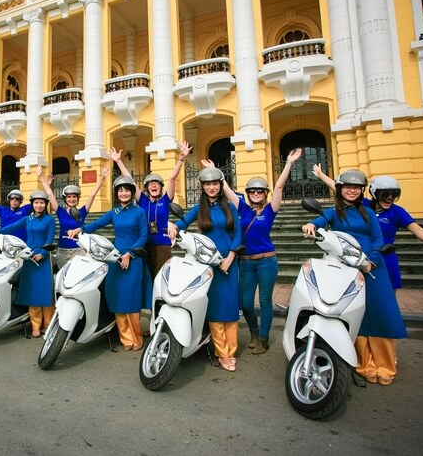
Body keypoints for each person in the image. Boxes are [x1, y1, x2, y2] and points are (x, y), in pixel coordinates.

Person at [302, 169, 408, 386]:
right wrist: (311, 225)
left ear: (362, 191)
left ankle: (386, 365)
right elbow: (319, 221)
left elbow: (378, 239)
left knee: (380, 314)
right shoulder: (334, 211)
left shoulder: (368, 212)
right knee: (354, 314)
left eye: (357, 187)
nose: (352, 190)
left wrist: (372, 260)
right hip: (346, 268)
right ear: (339, 189)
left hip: (371, 266)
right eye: (347, 187)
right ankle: (364, 364)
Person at [203, 147, 303, 354]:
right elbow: (227, 189)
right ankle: (254, 332)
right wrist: (217, 173)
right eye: (252, 191)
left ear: (264, 194)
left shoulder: (270, 210)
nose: (256, 194)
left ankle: (264, 339)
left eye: (260, 191)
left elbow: (279, 187)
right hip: (246, 261)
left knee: (265, 301)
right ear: (248, 194)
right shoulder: (242, 208)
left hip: (267, 261)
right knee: (246, 303)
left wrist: (289, 164)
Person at [312, 166, 423, 289]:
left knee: (387, 299)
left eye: (393, 195)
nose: (389, 199)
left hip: (385, 257)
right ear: (374, 193)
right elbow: (341, 188)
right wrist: (320, 175)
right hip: (358, 256)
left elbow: (422, 233)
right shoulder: (363, 206)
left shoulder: (397, 212)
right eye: (384, 195)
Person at [167, 167, 241, 372]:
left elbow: (238, 233)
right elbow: (182, 223)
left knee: (230, 306)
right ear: (202, 187)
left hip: (228, 261)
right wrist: (174, 226)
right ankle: (221, 352)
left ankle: (231, 350)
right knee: (215, 307)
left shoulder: (229, 207)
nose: (211, 187)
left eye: (215, 184)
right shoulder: (199, 209)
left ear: (220, 185)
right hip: (207, 264)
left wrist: (231, 256)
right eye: (207, 184)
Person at [67, 175, 149, 351]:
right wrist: (80, 229)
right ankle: (126, 338)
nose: (123, 193)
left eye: (127, 190)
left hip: (133, 258)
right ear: (116, 193)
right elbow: (96, 224)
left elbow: (143, 236)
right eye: (120, 190)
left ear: (132, 192)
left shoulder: (139, 212)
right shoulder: (114, 212)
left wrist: (130, 254)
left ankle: (137, 337)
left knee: (131, 299)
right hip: (115, 258)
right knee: (117, 297)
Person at [109, 141, 192, 279]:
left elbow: (172, 179)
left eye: (156, 184)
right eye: (150, 184)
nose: (153, 185)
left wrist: (181, 158)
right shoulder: (143, 200)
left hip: (161, 245)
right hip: (143, 245)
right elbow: (130, 181)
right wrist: (118, 161)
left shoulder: (165, 200)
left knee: (162, 277)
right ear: (147, 188)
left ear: (160, 187)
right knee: (145, 278)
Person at [0, 190, 56, 337]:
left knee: (45, 292)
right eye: (36, 202)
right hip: (28, 257)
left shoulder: (49, 220)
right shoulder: (28, 218)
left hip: (43, 259)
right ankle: (35, 326)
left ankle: (48, 324)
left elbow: (50, 239)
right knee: (32, 292)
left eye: (41, 203)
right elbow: (12, 227)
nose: (38, 205)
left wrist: (42, 253)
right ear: (32, 204)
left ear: (45, 204)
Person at [37, 164, 109, 270]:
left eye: (74, 197)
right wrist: (42, 179)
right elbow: (50, 194)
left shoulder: (82, 212)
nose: (71, 199)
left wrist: (102, 178)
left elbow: (92, 195)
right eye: (69, 197)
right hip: (63, 251)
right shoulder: (60, 211)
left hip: (79, 251)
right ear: (65, 199)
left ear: (77, 198)